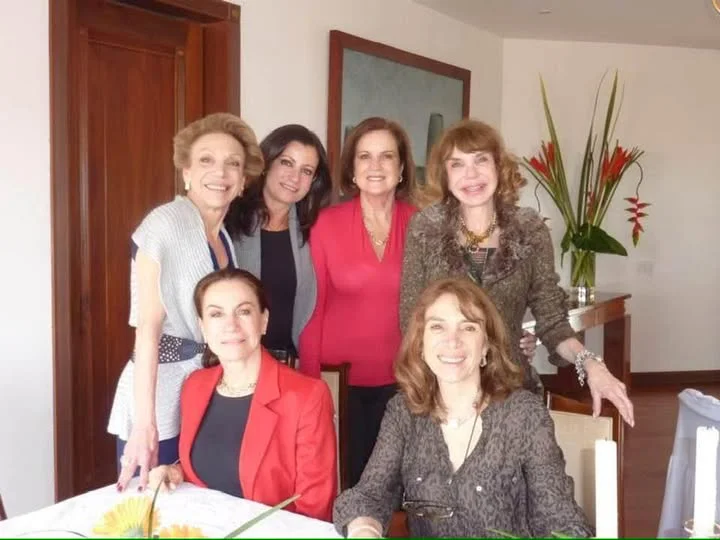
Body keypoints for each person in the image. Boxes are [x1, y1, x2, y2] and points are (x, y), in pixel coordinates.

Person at [399, 119, 634, 426]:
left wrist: (591, 364)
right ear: (445, 175)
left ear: (499, 166)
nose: (471, 174)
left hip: (509, 392)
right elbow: (411, 319)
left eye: (481, 160)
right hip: (442, 394)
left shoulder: (529, 230)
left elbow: (552, 320)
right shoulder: (425, 229)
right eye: (457, 164)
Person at [334, 278, 594, 538]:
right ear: (420, 345)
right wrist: (364, 530)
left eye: (468, 327)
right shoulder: (404, 412)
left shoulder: (524, 415)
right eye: (438, 327)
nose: (453, 341)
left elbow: (561, 521)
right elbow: (368, 496)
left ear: (486, 346)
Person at [109, 113, 264, 491]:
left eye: (232, 163)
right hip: (159, 395)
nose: (220, 172)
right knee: (152, 507)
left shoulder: (223, 238)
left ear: (243, 180)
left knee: (199, 505)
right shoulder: (165, 224)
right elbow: (148, 331)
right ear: (187, 173)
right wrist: (145, 424)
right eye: (206, 160)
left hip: (202, 390)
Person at [148, 268, 337, 522]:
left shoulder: (307, 396)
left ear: (264, 321)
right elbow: (217, 461)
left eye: (244, 311)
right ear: (203, 327)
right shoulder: (195, 386)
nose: (231, 325)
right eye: (216, 314)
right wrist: (177, 472)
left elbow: (314, 509)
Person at [298, 117, 418, 487]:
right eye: (365, 156)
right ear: (352, 169)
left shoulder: (422, 225)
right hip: (340, 384)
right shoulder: (325, 224)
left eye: (387, 156)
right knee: (347, 485)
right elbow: (312, 309)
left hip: (406, 382)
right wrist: (313, 385)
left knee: (399, 488)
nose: (375, 165)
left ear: (401, 168)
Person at [225, 124, 332, 367]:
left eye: (306, 171)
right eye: (286, 163)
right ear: (267, 162)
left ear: (314, 181)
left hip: (289, 366)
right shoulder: (229, 222)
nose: (295, 177)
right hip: (236, 362)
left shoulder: (312, 230)